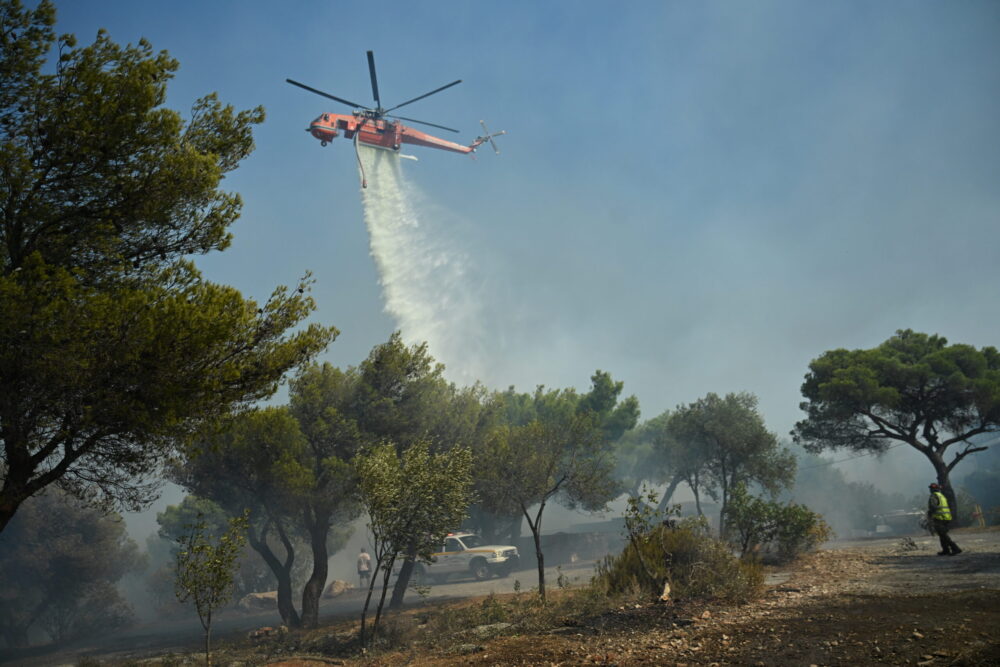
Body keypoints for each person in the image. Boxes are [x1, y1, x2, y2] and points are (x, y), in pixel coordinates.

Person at [927, 483, 962, 556]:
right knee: (941, 534)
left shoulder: (933, 496)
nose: (930, 490)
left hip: (939, 518)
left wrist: (929, 514)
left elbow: (933, 507)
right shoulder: (941, 496)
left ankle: (955, 548)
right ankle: (945, 550)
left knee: (943, 534)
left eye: (931, 488)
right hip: (946, 517)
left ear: (933, 489)